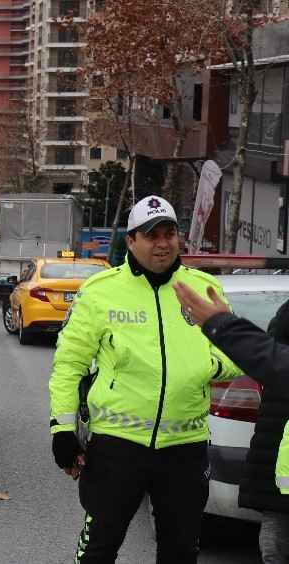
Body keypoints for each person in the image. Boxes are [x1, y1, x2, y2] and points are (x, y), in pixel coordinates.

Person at [48, 195, 243, 563]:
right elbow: (69, 365)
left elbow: (235, 353)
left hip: (185, 447)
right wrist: (62, 428)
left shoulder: (202, 288)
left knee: (180, 551)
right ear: (132, 241)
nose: (162, 242)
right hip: (117, 447)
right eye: (151, 235)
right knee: (99, 549)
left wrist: (206, 365)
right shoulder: (100, 291)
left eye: (169, 233)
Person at [175, 283, 289, 563]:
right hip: (277, 443)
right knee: (276, 537)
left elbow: (272, 359)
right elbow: (273, 358)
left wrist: (223, 326)